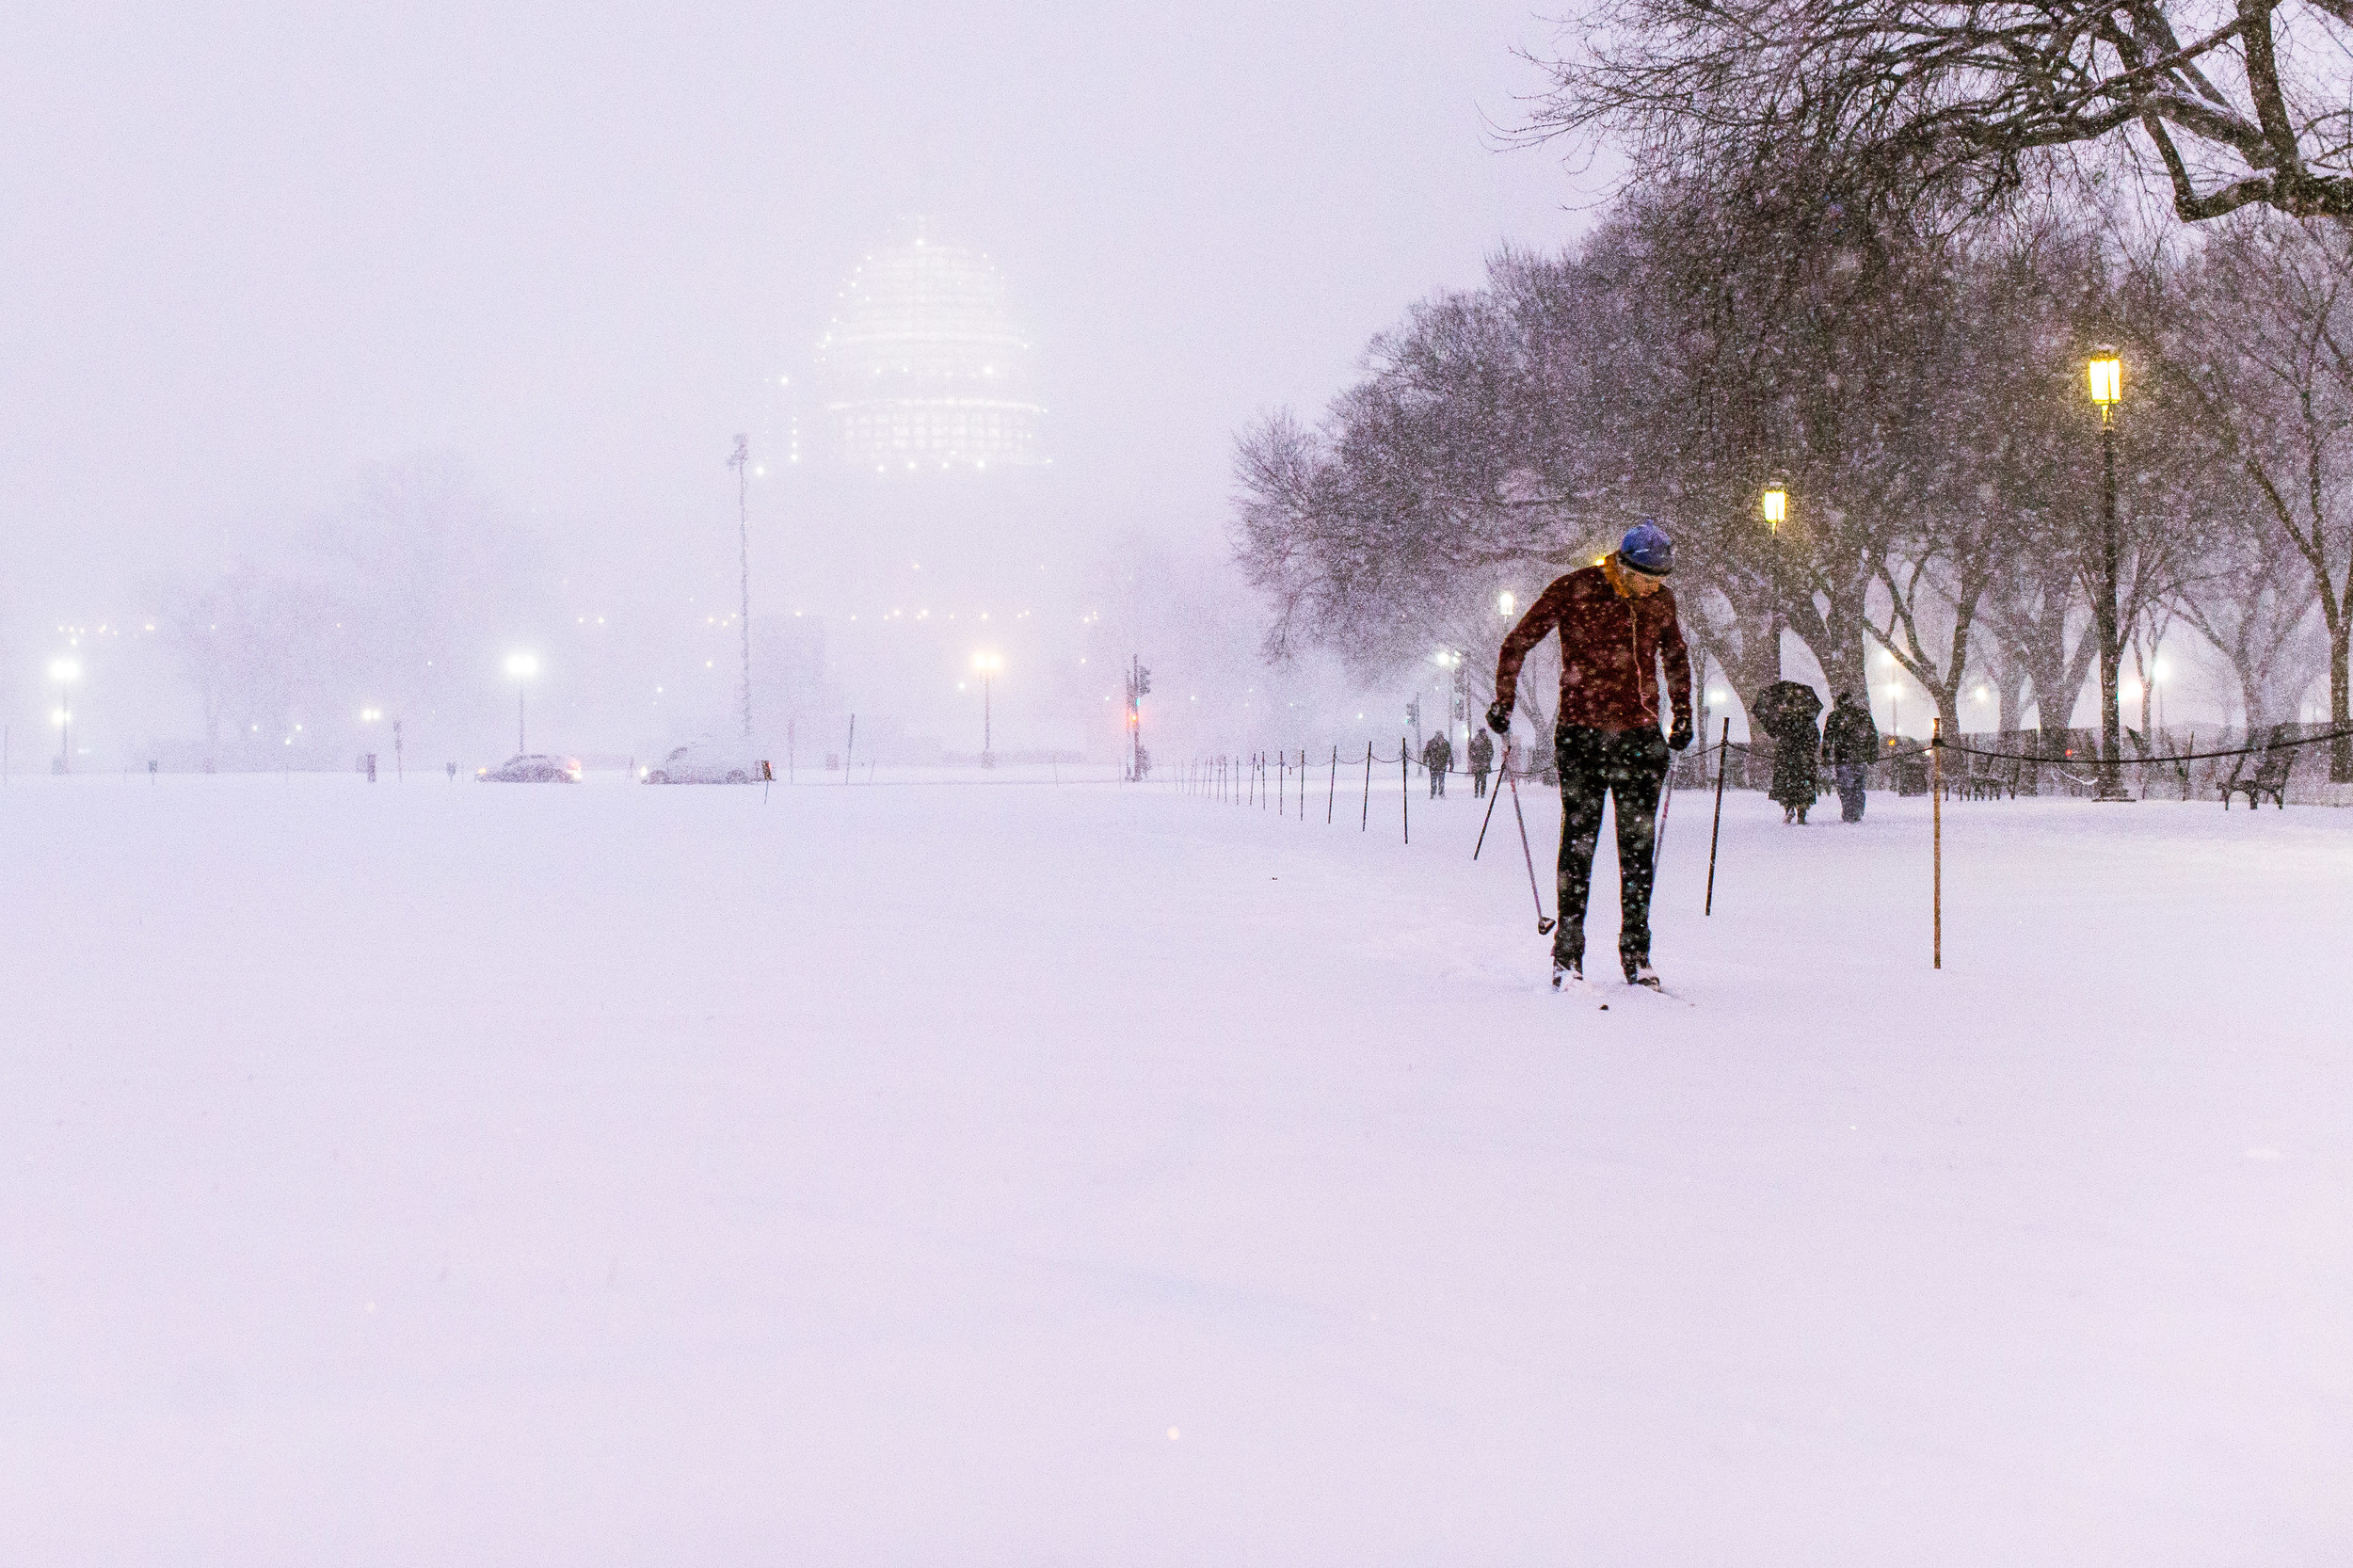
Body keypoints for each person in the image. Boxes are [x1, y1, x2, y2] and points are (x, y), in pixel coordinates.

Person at [1488, 520, 1693, 989]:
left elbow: (1676, 656)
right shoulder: (1574, 589)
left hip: (1640, 737)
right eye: (1646, 578)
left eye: (1660, 579)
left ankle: (1637, 954)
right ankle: (1568, 953)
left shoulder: (1661, 601)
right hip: (1582, 733)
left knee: (1638, 850)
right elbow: (1518, 641)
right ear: (1623, 565)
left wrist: (1681, 714)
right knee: (1579, 843)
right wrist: (1504, 700)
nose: (1653, 587)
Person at [1753, 679, 1824, 824]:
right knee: (1804, 785)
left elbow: (1773, 733)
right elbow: (1815, 739)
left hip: (1786, 757)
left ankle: (1788, 807)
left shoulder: (1782, 721)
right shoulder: (1808, 722)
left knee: (1786, 783)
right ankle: (1802, 810)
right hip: (1804, 759)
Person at [1820, 690, 1881, 822]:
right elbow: (1872, 736)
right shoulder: (1862, 715)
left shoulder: (1834, 717)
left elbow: (1827, 738)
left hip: (1842, 756)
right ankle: (1857, 810)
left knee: (1845, 787)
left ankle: (1848, 811)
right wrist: (1872, 753)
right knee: (1858, 786)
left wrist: (1825, 755)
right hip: (1859, 756)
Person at [1422, 730, 1453, 796]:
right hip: (1433, 765)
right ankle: (1433, 793)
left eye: (1441, 735)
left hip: (1442, 765)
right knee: (1433, 780)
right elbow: (1426, 753)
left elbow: (1449, 754)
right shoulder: (1431, 743)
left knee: (1441, 780)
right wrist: (1425, 761)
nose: (1440, 737)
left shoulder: (1446, 744)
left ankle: (1441, 793)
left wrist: (1451, 764)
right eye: (1439, 735)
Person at [1467, 727, 1495, 797]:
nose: (1484, 734)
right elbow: (1470, 751)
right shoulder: (1475, 741)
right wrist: (1474, 759)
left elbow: (1491, 751)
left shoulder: (1488, 741)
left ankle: (1482, 793)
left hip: (1484, 762)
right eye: (1483, 733)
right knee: (1477, 779)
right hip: (1478, 762)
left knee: (1483, 779)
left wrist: (1488, 760)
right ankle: (1476, 792)